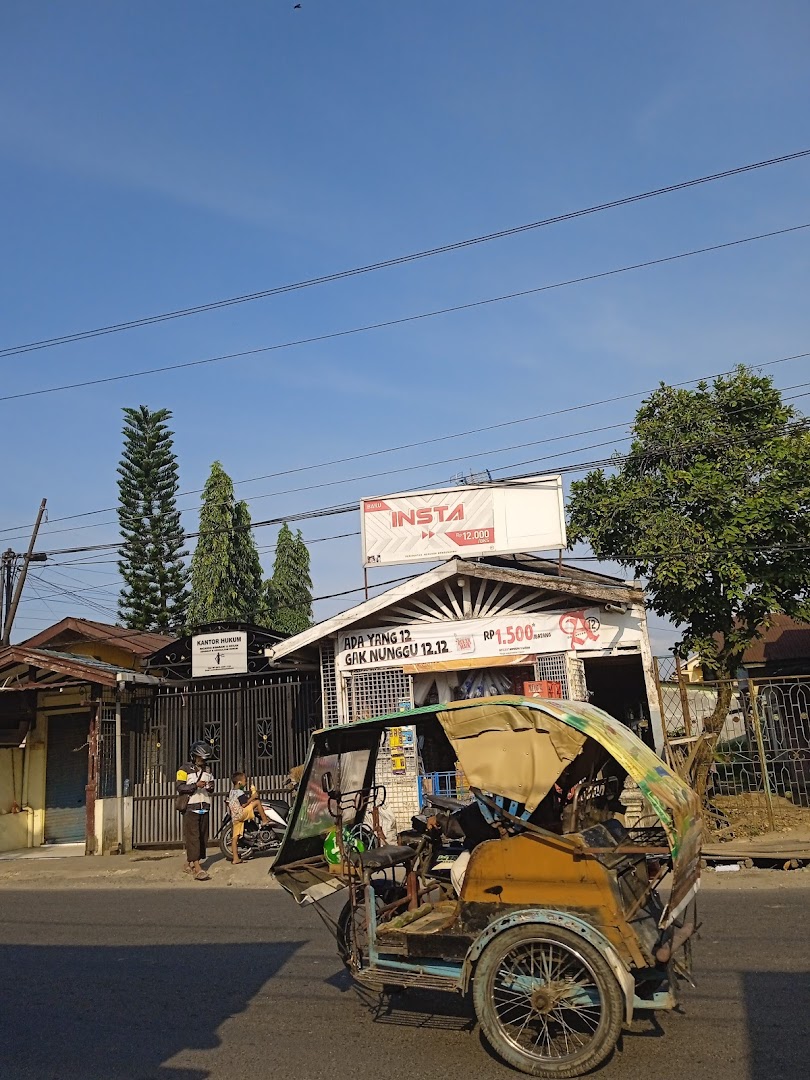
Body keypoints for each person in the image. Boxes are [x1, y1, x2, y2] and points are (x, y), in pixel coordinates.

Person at [176, 741, 216, 880]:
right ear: (194, 756)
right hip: (190, 808)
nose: (202, 761)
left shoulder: (208, 770)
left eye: (204, 759)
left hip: (204, 807)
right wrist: (195, 785)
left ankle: (189, 863)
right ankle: (198, 868)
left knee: (202, 838)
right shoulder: (183, 769)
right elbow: (180, 788)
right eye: (200, 758)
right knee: (193, 838)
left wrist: (210, 786)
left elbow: (212, 787)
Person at [226, 771, 271, 864]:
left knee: (235, 838)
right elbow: (244, 804)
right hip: (242, 814)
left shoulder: (231, 792)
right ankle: (265, 820)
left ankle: (235, 858)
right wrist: (253, 796)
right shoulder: (239, 792)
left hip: (235, 817)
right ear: (239, 783)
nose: (245, 783)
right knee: (257, 802)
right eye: (245, 781)